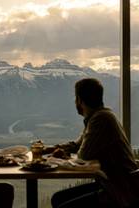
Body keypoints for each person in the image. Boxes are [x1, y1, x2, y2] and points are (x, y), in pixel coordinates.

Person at [49, 78, 139, 208]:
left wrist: (64, 157)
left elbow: (83, 156)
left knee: (62, 204)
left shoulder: (100, 119)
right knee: (58, 198)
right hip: (115, 184)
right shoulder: (100, 116)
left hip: (120, 192)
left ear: (79, 100)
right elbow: (77, 145)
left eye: (76, 98)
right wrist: (49, 149)